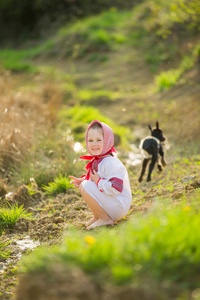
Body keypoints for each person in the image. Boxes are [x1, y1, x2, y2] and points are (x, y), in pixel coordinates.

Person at [69, 119, 132, 229]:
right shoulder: (99, 160)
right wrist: (84, 180)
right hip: (113, 203)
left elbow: (116, 188)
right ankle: (98, 216)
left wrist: (97, 181)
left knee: (86, 185)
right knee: (84, 185)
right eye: (90, 140)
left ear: (107, 141)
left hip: (119, 205)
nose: (94, 144)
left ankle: (105, 218)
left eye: (99, 140)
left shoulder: (111, 162)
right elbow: (99, 179)